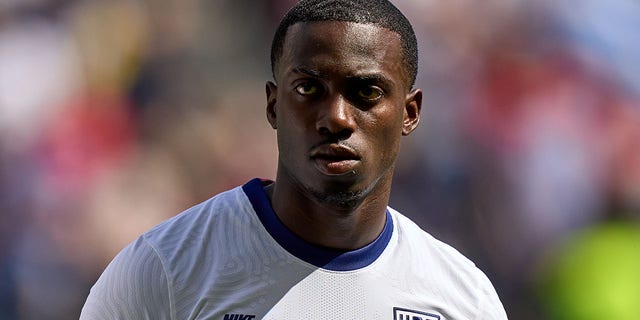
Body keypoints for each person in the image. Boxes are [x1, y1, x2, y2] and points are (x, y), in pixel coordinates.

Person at [80, 0, 508, 319]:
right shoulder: (163, 272)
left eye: (367, 93)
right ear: (272, 105)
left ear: (409, 113)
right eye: (308, 89)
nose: (336, 118)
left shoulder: (463, 300)